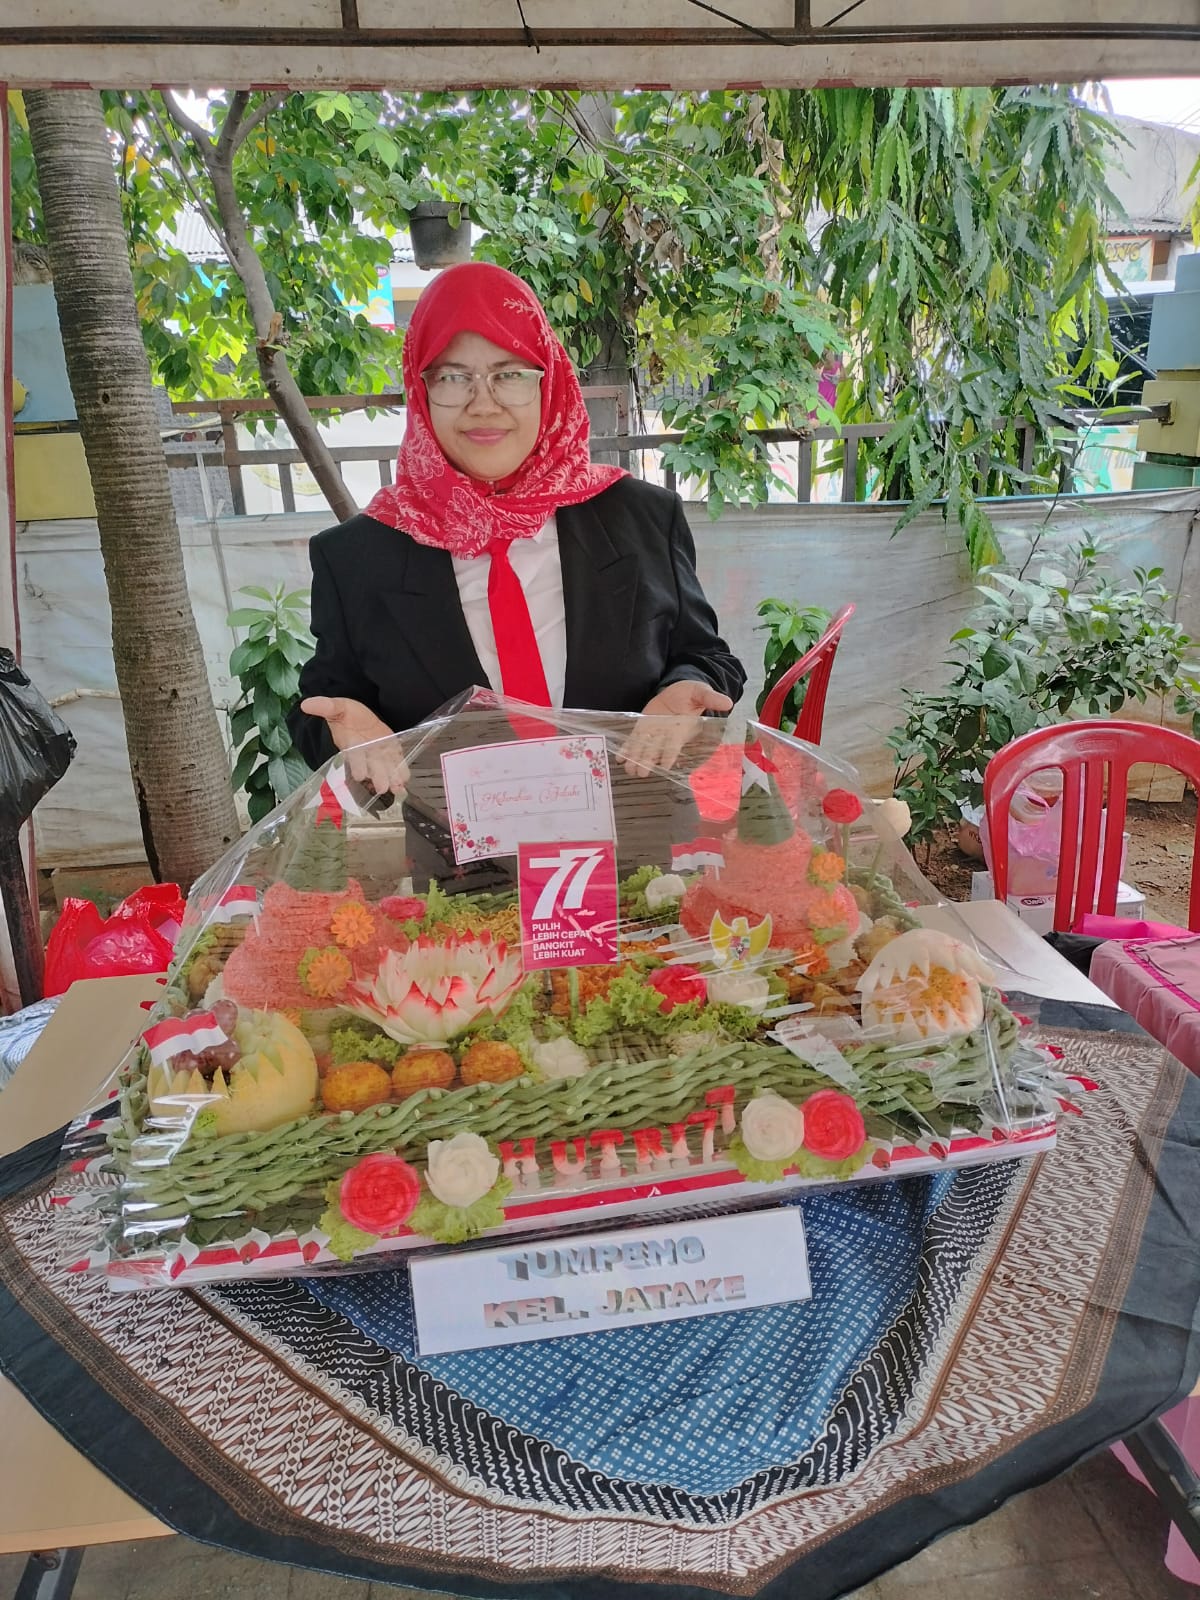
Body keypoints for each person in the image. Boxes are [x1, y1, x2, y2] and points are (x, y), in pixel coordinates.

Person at [289, 261, 745, 802]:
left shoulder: (640, 517)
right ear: (421, 388)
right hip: (460, 874)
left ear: (547, 381)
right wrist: (345, 739)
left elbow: (709, 657)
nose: (484, 403)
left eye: (510, 373)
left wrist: (685, 690)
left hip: (644, 860)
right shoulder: (358, 557)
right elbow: (328, 707)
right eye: (452, 376)